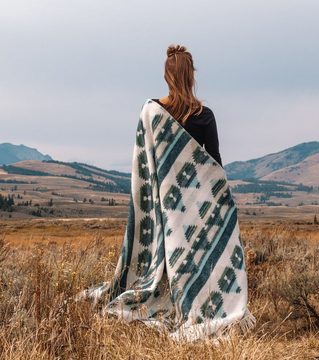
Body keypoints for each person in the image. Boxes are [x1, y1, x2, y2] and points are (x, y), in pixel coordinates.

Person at [79, 44, 254, 341]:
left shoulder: (152, 112)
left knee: (169, 256)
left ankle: (173, 299)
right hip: (198, 206)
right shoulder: (204, 115)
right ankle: (205, 301)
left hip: (163, 207)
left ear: (167, 75)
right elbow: (213, 165)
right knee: (200, 256)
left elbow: (144, 161)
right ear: (191, 75)